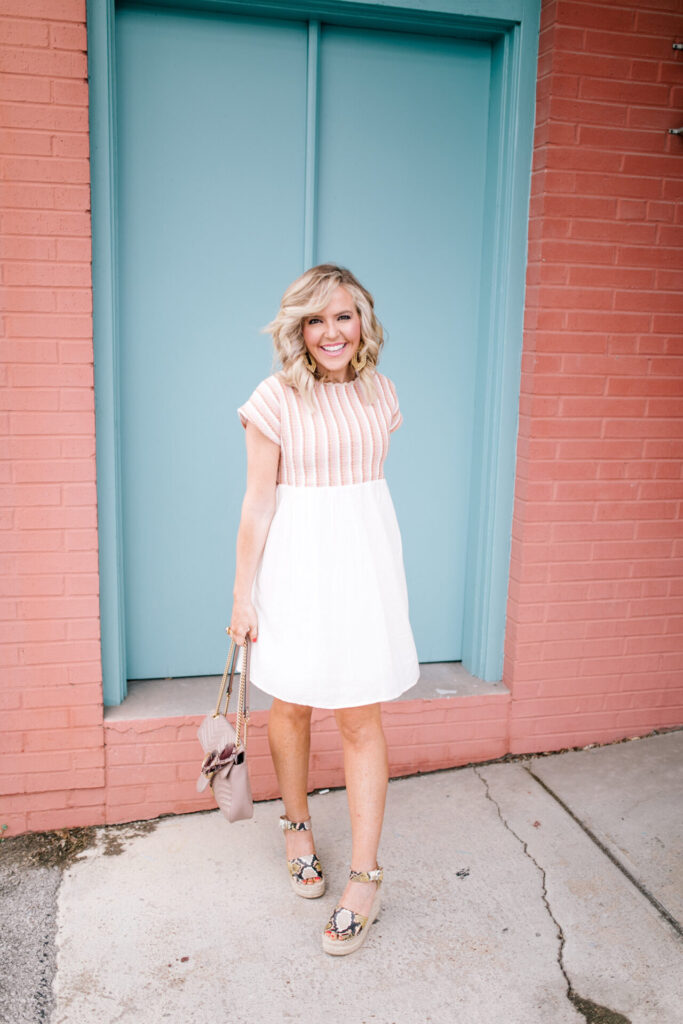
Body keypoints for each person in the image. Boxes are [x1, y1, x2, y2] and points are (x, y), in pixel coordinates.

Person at [228, 264, 420, 956]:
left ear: (361, 321)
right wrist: (242, 593)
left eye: (342, 316)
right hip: (295, 570)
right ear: (297, 329)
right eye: (315, 320)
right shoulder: (273, 398)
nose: (330, 332)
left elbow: (362, 496)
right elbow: (259, 501)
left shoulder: (382, 393)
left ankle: (365, 878)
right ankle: (296, 826)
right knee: (292, 705)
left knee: (362, 718)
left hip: (365, 570)